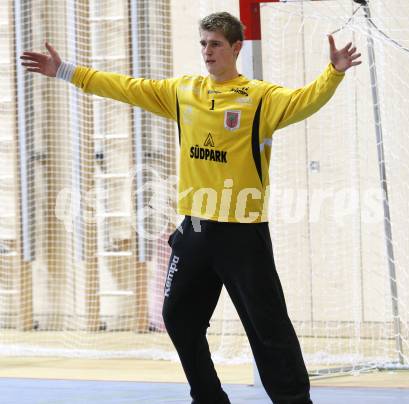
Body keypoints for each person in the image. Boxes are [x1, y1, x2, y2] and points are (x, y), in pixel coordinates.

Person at [20, 11, 361, 404]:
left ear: (236, 48)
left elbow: (304, 100)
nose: (207, 51)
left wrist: (332, 74)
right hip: (196, 230)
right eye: (203, 43)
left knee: (267, 326)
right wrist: (65, 71)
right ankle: (208, 397)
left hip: (241, 233)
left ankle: (293, 399)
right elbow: (127, 87)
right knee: (179, 317)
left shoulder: (261, 98)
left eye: (215, 44)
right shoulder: (184, 91)